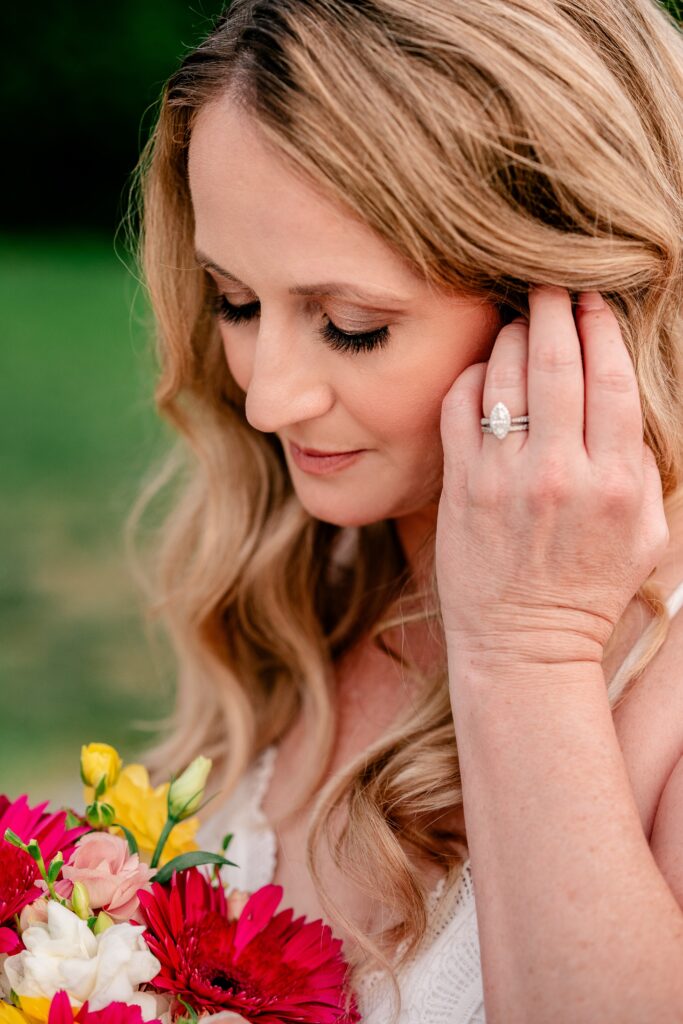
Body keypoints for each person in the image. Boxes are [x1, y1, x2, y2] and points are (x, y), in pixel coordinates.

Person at [129, 0, 683, 1020]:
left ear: (563, 310)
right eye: (235, 302)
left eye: (350, 326)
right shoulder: (310, 581)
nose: (266, 398)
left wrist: (528, 654)